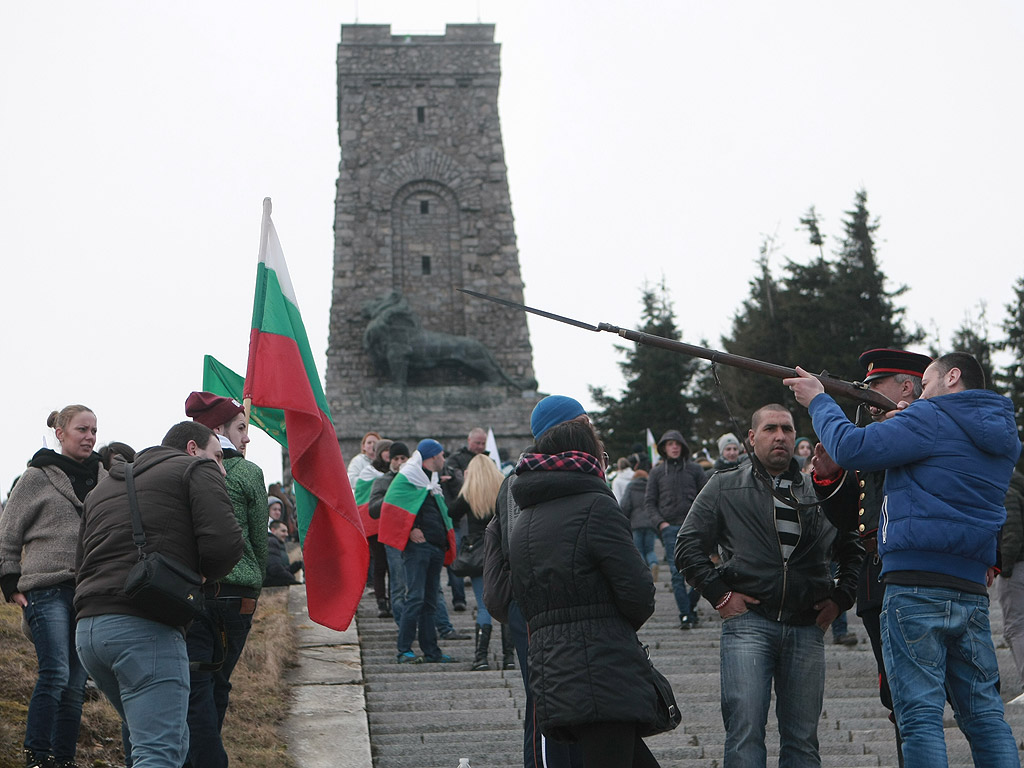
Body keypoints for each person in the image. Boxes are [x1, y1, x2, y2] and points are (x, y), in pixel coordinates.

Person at [787, 352, 1023, 767]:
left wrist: (819, 400)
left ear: (952, 377)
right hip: (969, 588)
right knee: (985, 715)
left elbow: (848, 446)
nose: (921, 395)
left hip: (914, 583)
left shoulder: (929, 419)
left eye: (927, 385)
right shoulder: (1002, 436)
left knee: (918, 717)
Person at [677, 403, 863, 768]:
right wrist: (720, 595)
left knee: (803, 739)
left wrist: (841, 598)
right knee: (745, 732)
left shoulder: (820, 491)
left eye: (787, 429)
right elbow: (687, 547)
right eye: (770, 429)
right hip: (748, 623)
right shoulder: (724, 485)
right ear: (751, 437)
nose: (780, 436)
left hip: (806, 626)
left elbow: (853, 550)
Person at [74, 421, 243, 768]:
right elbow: (227, 544)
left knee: (167, 742)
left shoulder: (102, 488)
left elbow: (80, 562)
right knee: (159, 753)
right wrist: (201, 576)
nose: (222, 469)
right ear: (193, 448)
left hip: (89, 632)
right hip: (146, 627)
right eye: (218, 457)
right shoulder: (197, 469)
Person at [509, 410, 661, 767]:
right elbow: (639, 592)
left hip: (554, 673)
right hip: (604, 671)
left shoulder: (524, 519)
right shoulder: (596, 505)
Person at [811, 348, 930, 762]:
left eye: (875, 385)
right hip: (877, 582)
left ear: (906, 387)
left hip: (922, 575)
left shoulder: (918, 431)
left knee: (930, 700)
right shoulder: (880, 435)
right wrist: (828, 476)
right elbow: (855, 518)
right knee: (898, 697)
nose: (866, 393)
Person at [483, 395, 586, 768]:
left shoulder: (578, 471)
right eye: (583, 423)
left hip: (566, 606)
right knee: (543, 699)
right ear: (561, 430)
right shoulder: (519, 481)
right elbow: (519, 547)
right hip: (532, 604)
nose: (591, 431)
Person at [0, 405, 104, 768]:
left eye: (94, 429)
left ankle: (64, 760)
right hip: (45, 589)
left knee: (76, 685)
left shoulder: (106, 478)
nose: (90, 436)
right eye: (82, 429)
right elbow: (8, 532)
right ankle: (36, 756)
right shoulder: (37, 477)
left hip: (90, 591)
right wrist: (10, 581)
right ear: (60, 432)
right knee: (56, 672)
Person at [183, 392, 268, 768]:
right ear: (218, 430)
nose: (247, 437)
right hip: (239, 597)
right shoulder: (249, 473)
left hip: (193, 590)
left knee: (197, 685)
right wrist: (254, 581)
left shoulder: (179, 470)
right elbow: (259, 539)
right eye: (241, 428)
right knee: (216, 683)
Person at [379, 439, 458, 664]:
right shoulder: (408, 477)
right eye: (441, 455)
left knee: (429, 601)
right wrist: (410, 530)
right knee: (414, 598)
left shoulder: (431, 481)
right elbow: (391, 506)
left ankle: (431, 651)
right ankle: (404, 649)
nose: (444, 459)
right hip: (418, 549)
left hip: (434, 547)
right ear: (433, 457)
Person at [645, 429, 706, 629]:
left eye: (677, 444)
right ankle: (686, 614)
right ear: (663, 448)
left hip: (693, 527)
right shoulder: (656, 473)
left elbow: (706, 497)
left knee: (700, 571)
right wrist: (660, 524)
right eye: (670, 444)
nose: (674, 447)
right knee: (676, 573)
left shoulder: (695, 470)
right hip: (670, 528)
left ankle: (689, 607)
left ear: (683, 446)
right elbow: (650, 502)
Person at [449, 453, 506, 671]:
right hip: (500, 551)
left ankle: (481, 658)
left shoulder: (469, 492)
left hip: (478, 553)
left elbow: (451, 511)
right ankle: (509, 656)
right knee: (506, 604)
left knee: (483, 606)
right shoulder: (501, 487)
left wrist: (465, 482)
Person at [443, 427, 489, 612]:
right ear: (469, 441)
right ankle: (459, 597)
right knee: (459, 558)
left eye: (483, 443)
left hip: (478, 521)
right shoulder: (455, 460)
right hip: (463, 518)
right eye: (477, 443)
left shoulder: (487, 459)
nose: (480, 446)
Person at [369, 441, 410, 627]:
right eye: (396, 458)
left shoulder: (416, 479)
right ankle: (401, 622)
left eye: (403, 458)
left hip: (415, 538)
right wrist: (392, 495)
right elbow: (373, 510)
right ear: (390, 461)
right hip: (393, 538)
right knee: (398, 580)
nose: (399, 462)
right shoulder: (382, 481)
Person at [355, 438, 390, 617]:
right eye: (387, 451)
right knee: (380, 563)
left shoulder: (395, 473)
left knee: (391, 564)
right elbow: (361, 496)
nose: (390, 455)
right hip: (373, 524)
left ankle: (391, 599)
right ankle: (381, 601)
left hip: (389, 523)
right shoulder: (368, 473)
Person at [999, 467, 1024, 700]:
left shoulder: (1006, 489)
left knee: (1015, 626)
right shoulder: (1017, 484)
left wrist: (1003, 567)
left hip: (1016, 567)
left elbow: (1012, 532)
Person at [620, 468, 657, 577]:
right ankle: (653, 563)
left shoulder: (631, 487)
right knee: (650, 550)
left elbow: (625, 505)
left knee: (639, 549)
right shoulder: (650, 486)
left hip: (636, 523)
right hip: (650, 523)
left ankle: (644, 573)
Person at [264, 520, 302, 587]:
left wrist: (298, 565)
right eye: (283, 531)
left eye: (287, 532)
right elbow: (275, 569)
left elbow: (282, 569)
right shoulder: (271, 541)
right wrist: (292, 579)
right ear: (273, 530)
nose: (286, 534)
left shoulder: (278, 543)